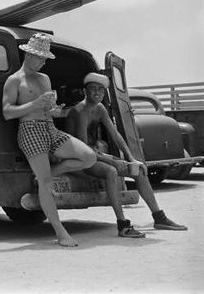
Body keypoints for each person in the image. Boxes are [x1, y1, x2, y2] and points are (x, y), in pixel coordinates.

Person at [2, 33, 97, 247]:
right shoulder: (15, 80)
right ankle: (60, 232)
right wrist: (35, 105)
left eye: (45, 58)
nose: (44, 62)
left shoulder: (45, 78)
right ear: (29, 54)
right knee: (46, 184)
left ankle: (48, 175)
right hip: (30, 132)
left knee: (88, 157)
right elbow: (7, 112)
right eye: (41, 58)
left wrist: (55, 110)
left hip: (50, 128)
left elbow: (50, 110)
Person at [65, 72, 187, 237]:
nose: (97, 93)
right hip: (80, 158)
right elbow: (83, 148)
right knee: (111, 171)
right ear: (85, 91)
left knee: (139, 170)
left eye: (101, 90)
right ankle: (122, 225)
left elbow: (115, 135)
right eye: (93, 89)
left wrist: (131, 158)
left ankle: (159, 217)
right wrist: (112, 161)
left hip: (95, 155)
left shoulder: (99, 108)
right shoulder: (79, 111)